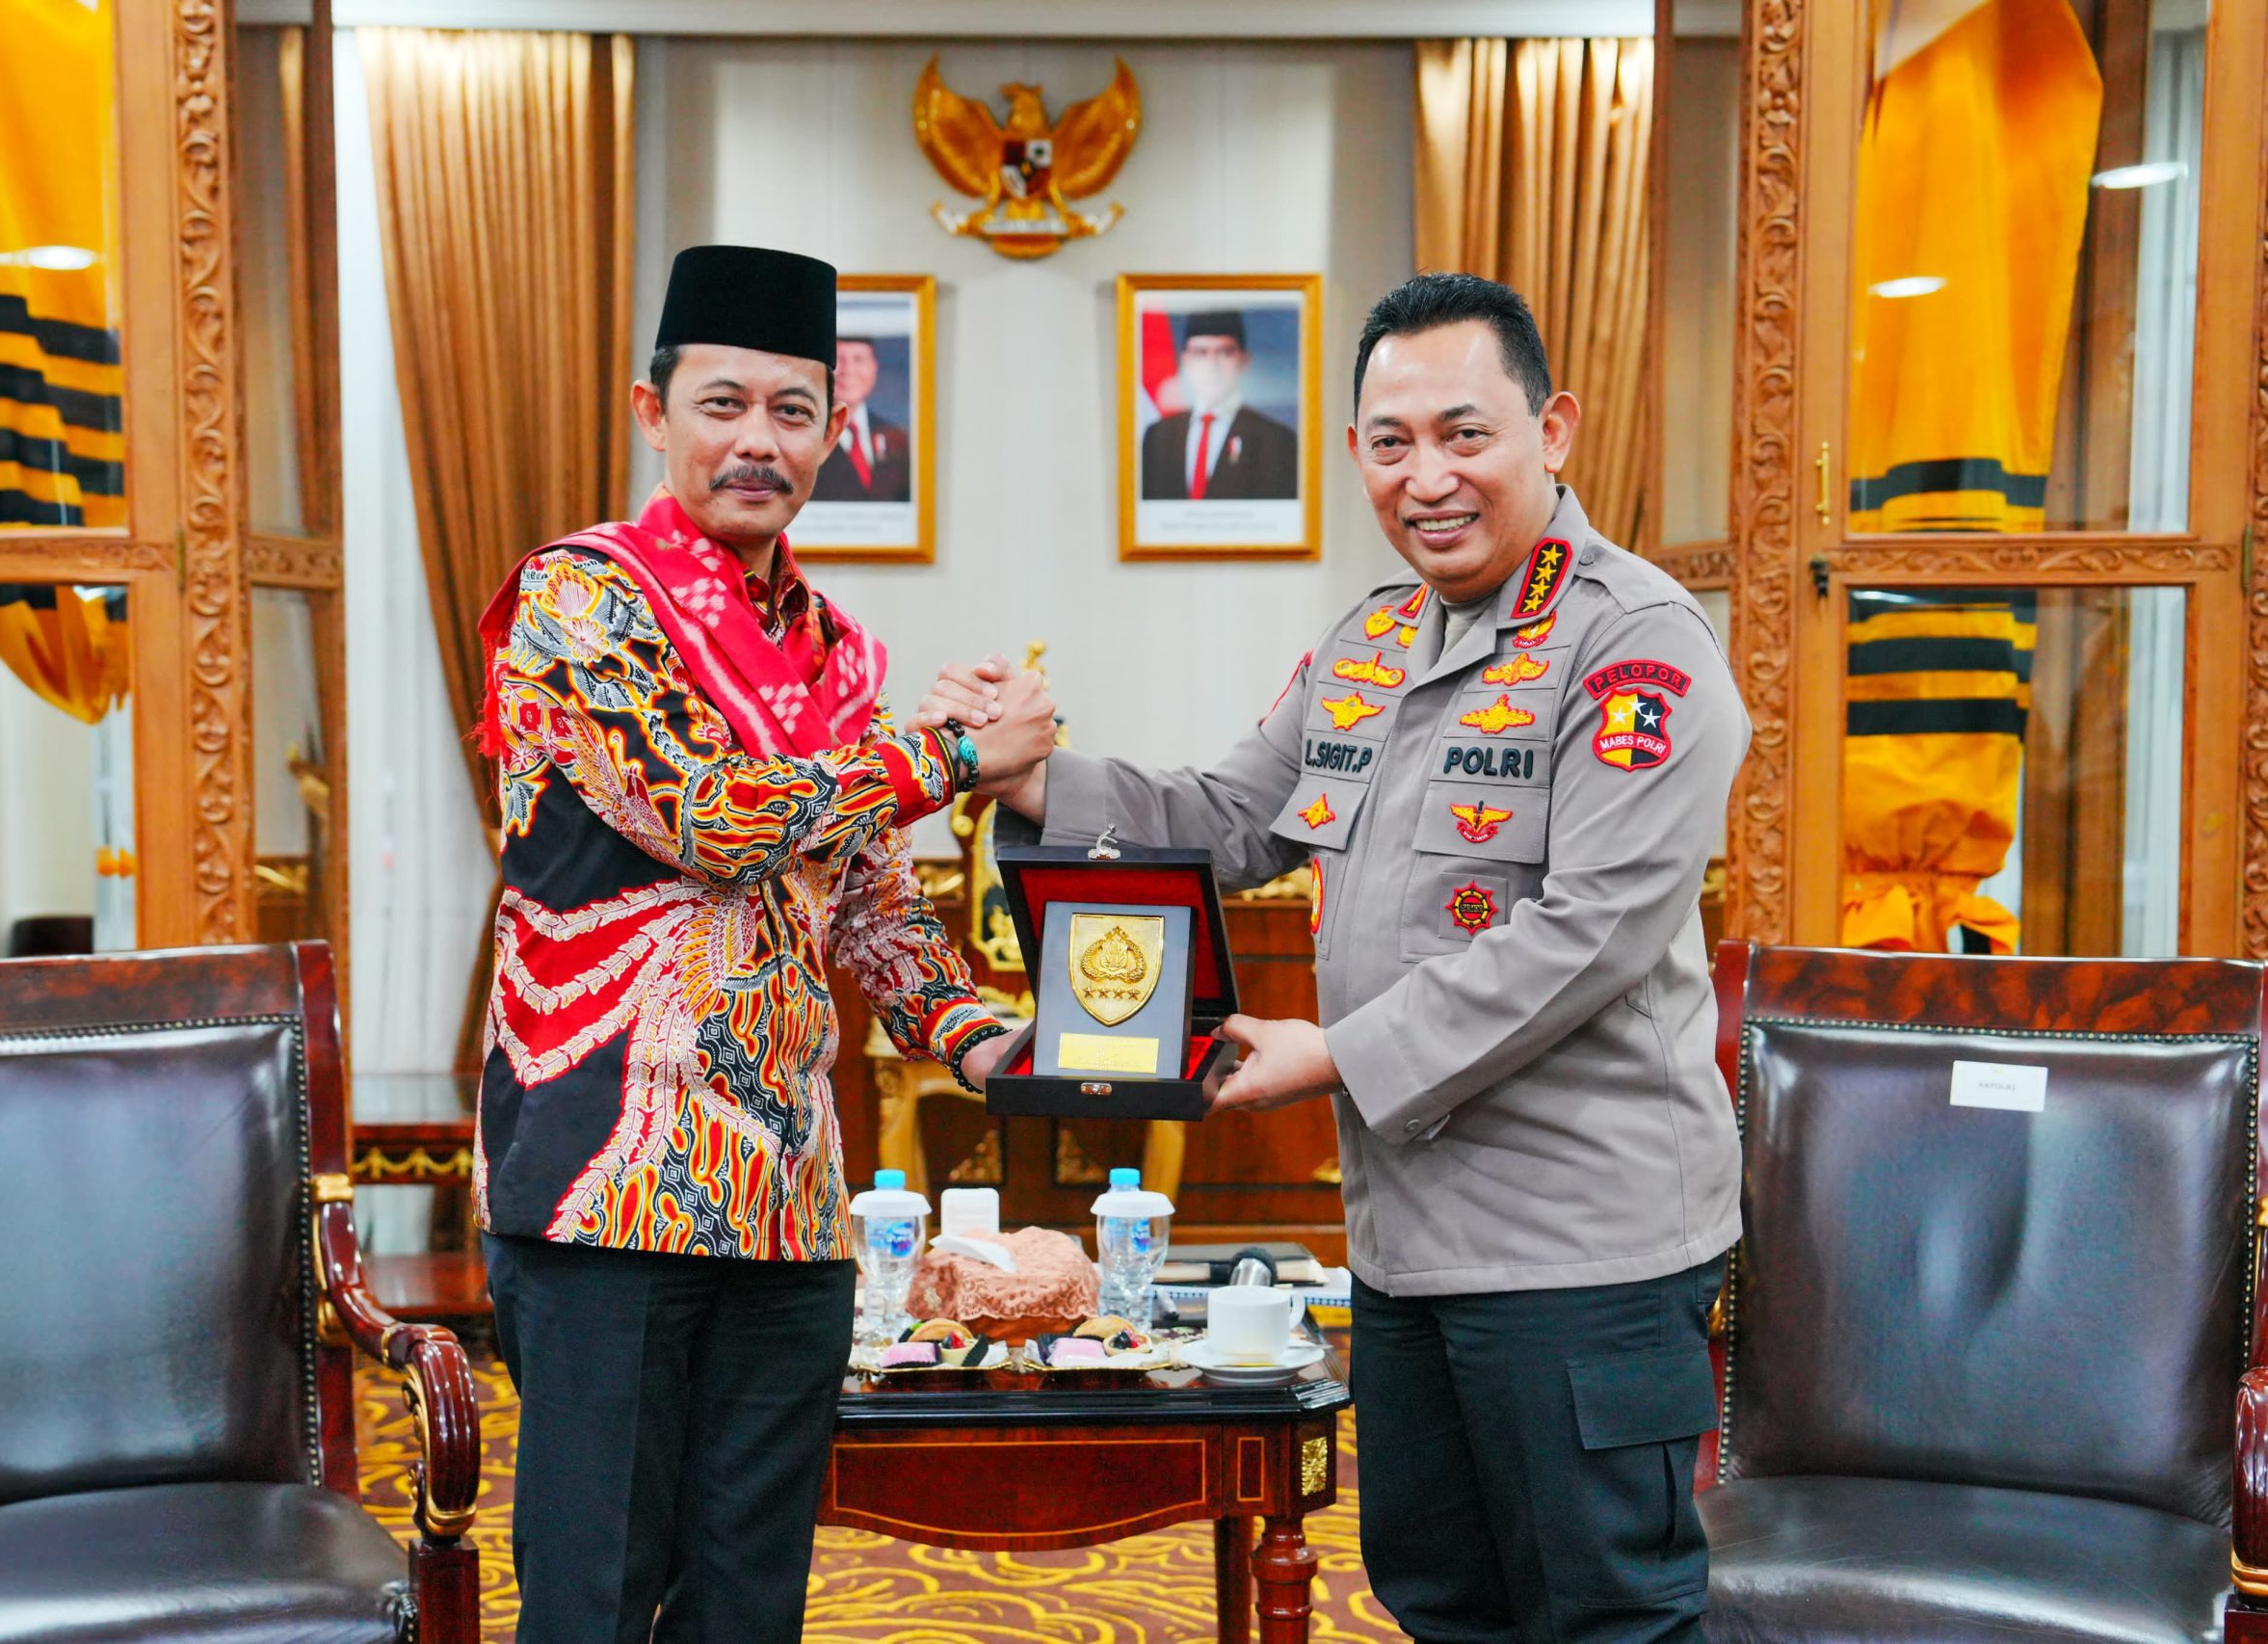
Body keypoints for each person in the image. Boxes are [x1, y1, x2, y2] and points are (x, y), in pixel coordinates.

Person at [922, 272, 1749, 1643]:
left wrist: (1338, 1055)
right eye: (1390, 441)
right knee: (1442, 1600)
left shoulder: (1636, 643)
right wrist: (1028, 775)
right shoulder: (1368, 643)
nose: (1428, 477)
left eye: (1465, 434)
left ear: (1553, 431)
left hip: (1578, 1255)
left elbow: (1590, 929)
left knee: (1605, 1615)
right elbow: (1223, 818)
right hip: (1407, 1248)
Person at [471, 243, 1049, 1644]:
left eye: (793, 412)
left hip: (788, 1199)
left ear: (833, 433)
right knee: (591, 1602)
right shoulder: (580, 598)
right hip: (606, 1186)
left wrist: (998, 1042)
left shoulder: (838, 653)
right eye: (722, 403)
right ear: (651, 411)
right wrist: (952, 753)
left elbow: (870, 901)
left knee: (750, 1607)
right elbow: (707, 814)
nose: (757, 441)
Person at [1138, 309, 1301, 501]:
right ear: (1186, 361)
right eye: (1201, 352)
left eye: (1225, 352)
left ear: (1244, 361)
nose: (1212, 365)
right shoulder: (1158, 435)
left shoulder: (1278, 441)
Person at [810, 333, 912, 502]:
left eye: (859, 359)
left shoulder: (897, 438)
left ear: (874, 367)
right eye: (839, 360)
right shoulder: (805, 436)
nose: (849, 370)